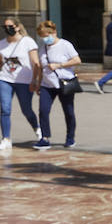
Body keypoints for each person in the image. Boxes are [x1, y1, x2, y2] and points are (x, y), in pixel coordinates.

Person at [0, 17, 41, 151]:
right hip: (5, 79)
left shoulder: (27, 42)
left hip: (23, 80)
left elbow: (36, 63)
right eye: (5, 27)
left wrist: (35, 80)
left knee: (26, 110)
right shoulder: (1, 44)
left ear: (17, 27)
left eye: (10, 26)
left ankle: (38, 130)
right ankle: (6, 139)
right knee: (5, 109)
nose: (7, 29)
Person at [35, 20, 81, 150]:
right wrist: (38, 83)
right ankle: (45, 138)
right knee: (43, 111)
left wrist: (59, 65)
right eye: (42, 37)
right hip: (47, 84)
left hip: (64, 83)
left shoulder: (65, 45)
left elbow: (77, 60)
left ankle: (70, 137)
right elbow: (40, 67)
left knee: (68, 111)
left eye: (46, 36)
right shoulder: (43, 49)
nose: (45, 39)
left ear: (54, 33)